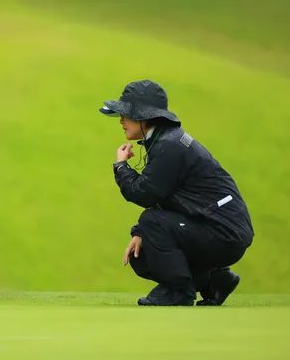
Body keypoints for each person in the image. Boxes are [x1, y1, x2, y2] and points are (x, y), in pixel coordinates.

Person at [99, 80, 254, 306]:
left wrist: (121, 167)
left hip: (224, 233)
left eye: (127, 114)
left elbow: (144, 194)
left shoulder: (168, 145)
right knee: (141, 256)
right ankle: (214, 280)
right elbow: (166, 195)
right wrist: (140, 233)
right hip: (220, 228)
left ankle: (178, 291)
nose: (121, 120)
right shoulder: (166, 140)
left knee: (151, 221)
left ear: (143, 116)